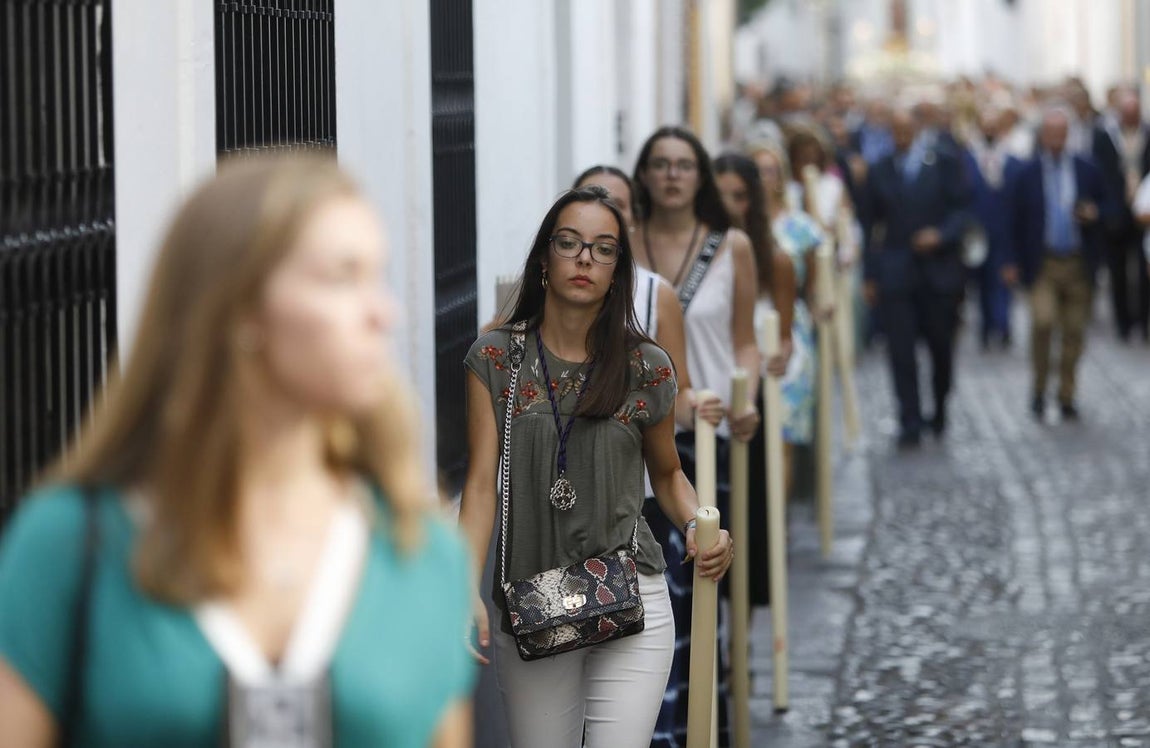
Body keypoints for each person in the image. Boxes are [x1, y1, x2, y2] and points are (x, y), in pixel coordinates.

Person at [0, 155, 475, 747]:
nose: (383, 312)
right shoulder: (72, 543)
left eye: (378, 276)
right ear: (240, 307)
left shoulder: (418, 551)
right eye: (342, 276)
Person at [458, 186, 733, 748]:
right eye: (570, 243)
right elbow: (481, 486)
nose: (585, 258)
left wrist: (701, 526)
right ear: (543, 259)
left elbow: (667, 474)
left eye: (604, 249)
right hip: (532, 601)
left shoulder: (646, 366)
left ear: (617, 272)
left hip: (632, 595)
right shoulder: (494, 359)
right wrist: (462, 587)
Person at [632, 126, 759, 748]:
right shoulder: (620, 247)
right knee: (670, 591)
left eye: (684, 164)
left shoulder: (731, 247)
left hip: (711, 436)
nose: (673, 175)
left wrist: (747, 397)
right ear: (646, 175)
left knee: (716, 577)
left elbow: (744, 340)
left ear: (699, 175)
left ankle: (716, 714)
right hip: (648, 440)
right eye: (661, 164)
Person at [714, 151, 797, 607]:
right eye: (721, 194)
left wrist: (779, 356)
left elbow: (783, 337)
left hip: (751, 401)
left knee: (747, 526)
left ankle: (738, 643)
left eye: (739, 197)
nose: (729, 205)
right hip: (706, 401)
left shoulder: (776, 263)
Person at [863, 107, 971, 448]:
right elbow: (868, 227)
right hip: (897, 273)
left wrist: (941, 235)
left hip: (938, 272)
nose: (902, 137)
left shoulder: (942, 162)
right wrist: (871, 275)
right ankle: (909, 418)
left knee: (941, 347)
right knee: (901, 352)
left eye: (907, 130)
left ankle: (938, 407)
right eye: (896, 131)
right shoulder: (879, 170)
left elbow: (963, 209)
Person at [1003, 108, 1108, 421]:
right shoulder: (1026, 172)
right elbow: (1012, 220)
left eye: (1062, 134)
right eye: (1051, 134)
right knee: (1044, 322)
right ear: (1042, 136)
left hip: (1077, 263)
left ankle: (1067, 393)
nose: (1056, 141)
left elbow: (1109, 205)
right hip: (1043, 264)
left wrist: (1094, 213)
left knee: (1074, 332)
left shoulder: (1087, 169)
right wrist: (1010, 261)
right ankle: (1038, 388)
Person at [751, 140, 828, 493]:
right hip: (746, 329)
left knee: (783, 433)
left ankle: (778, 525)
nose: (765, 178)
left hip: (789, 331)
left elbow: (811, 287)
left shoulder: (801, 227)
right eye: (757, 171)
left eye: (771, 171)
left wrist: (820, 307)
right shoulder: (738, 228)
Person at [1092, 90, 1150, 342]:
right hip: (1116, 214)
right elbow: (1100, 174)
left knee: (1144, 270)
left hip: (1143, 211)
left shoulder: (1147, 134)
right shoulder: (1105, 136)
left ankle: (1144, 321)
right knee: (1118, 271)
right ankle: (1123, 322)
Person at [966, 106, 1023, 349]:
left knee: (1003, 281)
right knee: (981, 285)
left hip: (1005, 232)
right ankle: (986, 327)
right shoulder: (966, 158)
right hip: (976, 233)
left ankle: (1003, 326)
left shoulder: (1014, 161)